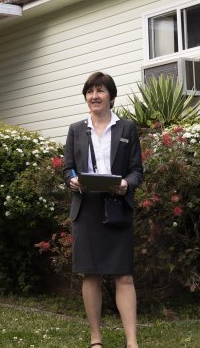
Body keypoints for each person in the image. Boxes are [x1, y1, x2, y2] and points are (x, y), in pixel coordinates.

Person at [63, 72, 144, 348]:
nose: (94, 96)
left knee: (124, 274)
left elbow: (136, 171)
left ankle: (131, 341)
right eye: (90, 91)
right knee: (91, 273)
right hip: (86, 208)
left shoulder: (127, 128)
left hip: (117, 205)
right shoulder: (76, 129)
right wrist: (72, 180)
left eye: (100, 91)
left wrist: (126, 184)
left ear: (111, 95)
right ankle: (95, 337)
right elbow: (67, 168)